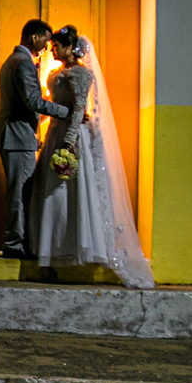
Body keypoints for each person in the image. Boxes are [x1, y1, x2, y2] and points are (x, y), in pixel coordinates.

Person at [29, 25, 155, 288]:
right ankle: (54, 246)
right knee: (53, 191)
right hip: (55, 132)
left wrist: (69, 141)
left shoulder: (81, 73)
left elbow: (78, 108)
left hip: (72, 135)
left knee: (72, 190)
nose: (53, 51)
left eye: (57, 46)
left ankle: (77, 246)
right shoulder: (54, 73)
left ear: (70, 47)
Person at [0, 19, 70, 259]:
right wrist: (65, 111)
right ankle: (14, 244)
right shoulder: (22, 63)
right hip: (17, 137)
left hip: (13, 135)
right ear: (34, 38)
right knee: (20, 193)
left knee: (19, 191)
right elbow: (33, 101)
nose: (47, 49)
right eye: (46, 43)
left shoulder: (13, 60)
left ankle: (17, 241)